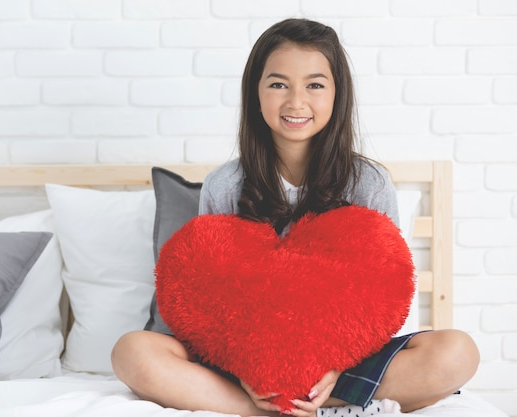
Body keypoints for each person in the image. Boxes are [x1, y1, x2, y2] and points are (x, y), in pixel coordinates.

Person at [111, 18, 479, 417]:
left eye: (315, 85)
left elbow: (384, 296)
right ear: (256, 93)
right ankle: (266, 407)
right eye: (278, 84)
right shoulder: (225, 185)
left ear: (338, 94)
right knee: (133, 351)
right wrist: (248, 370)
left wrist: (335, 367)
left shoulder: (369, 183)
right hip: (243, 363)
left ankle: (323, 401)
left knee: (457, 352)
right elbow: (208, 293)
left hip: (343, 359)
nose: (296, 102)